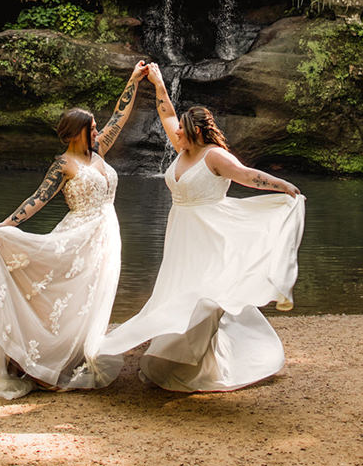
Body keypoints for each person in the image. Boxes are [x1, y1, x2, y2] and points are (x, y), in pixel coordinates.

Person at [95, 63, 304, 392]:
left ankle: (204, 366)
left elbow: (248, 176)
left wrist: (282, 185)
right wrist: (158, 82)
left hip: (210, 234)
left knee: (204, 301)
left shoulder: (214, 156)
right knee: (175, 296)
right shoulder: (183, 150)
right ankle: (173, 359)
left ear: (195, 132)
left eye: (181, 129)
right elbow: (165, 113)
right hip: (181, 237)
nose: (175, 132)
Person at [0, 61, 149, 398]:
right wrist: (7, 224)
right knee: (58, 296)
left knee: (87, 299)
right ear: (75, 133)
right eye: (92, 128)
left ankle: (63, 362)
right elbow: (39, 198)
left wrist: (133, 79)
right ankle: (34, 363)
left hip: (104, 238)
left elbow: (120, 116)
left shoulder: (98, 151)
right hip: (76, 235)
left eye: (97, 127)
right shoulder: (63, 164)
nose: (98, 131)